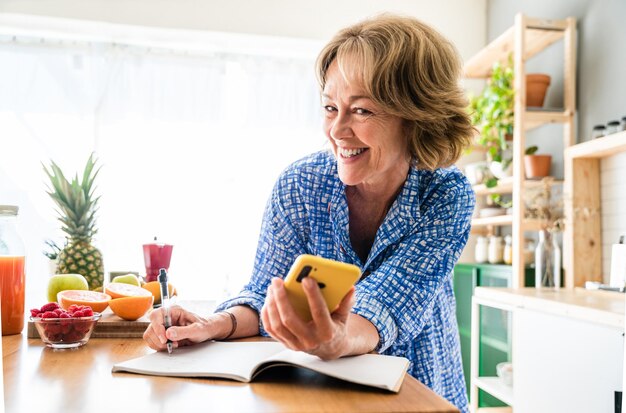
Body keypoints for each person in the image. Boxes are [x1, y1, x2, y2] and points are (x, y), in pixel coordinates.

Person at [144, 13, 475, 412]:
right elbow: (264, 293)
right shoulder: (300, 185)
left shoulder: (445, 194)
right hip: (320, 393)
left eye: (362, 111)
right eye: (330, 107)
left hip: (418, 391)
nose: (337, 131)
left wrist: (337, 339)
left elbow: (389, 302)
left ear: (416, 115)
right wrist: (217, 324)